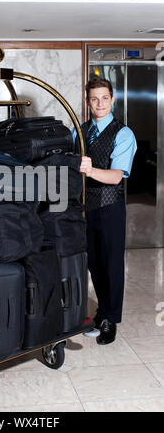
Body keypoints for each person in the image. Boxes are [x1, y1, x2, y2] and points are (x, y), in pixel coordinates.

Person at [76, 77, 137, 345]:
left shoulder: (123, 133)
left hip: (110, 207)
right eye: (94, 99)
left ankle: (110, 320)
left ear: (112, 99)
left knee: (111, 265)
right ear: (88, 102)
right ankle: (102, 312)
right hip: (84, 207)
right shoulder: (81, 130)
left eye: (104, 97)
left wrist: (89, 170)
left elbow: (115, 177)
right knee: (93, 263)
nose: (99, 103)